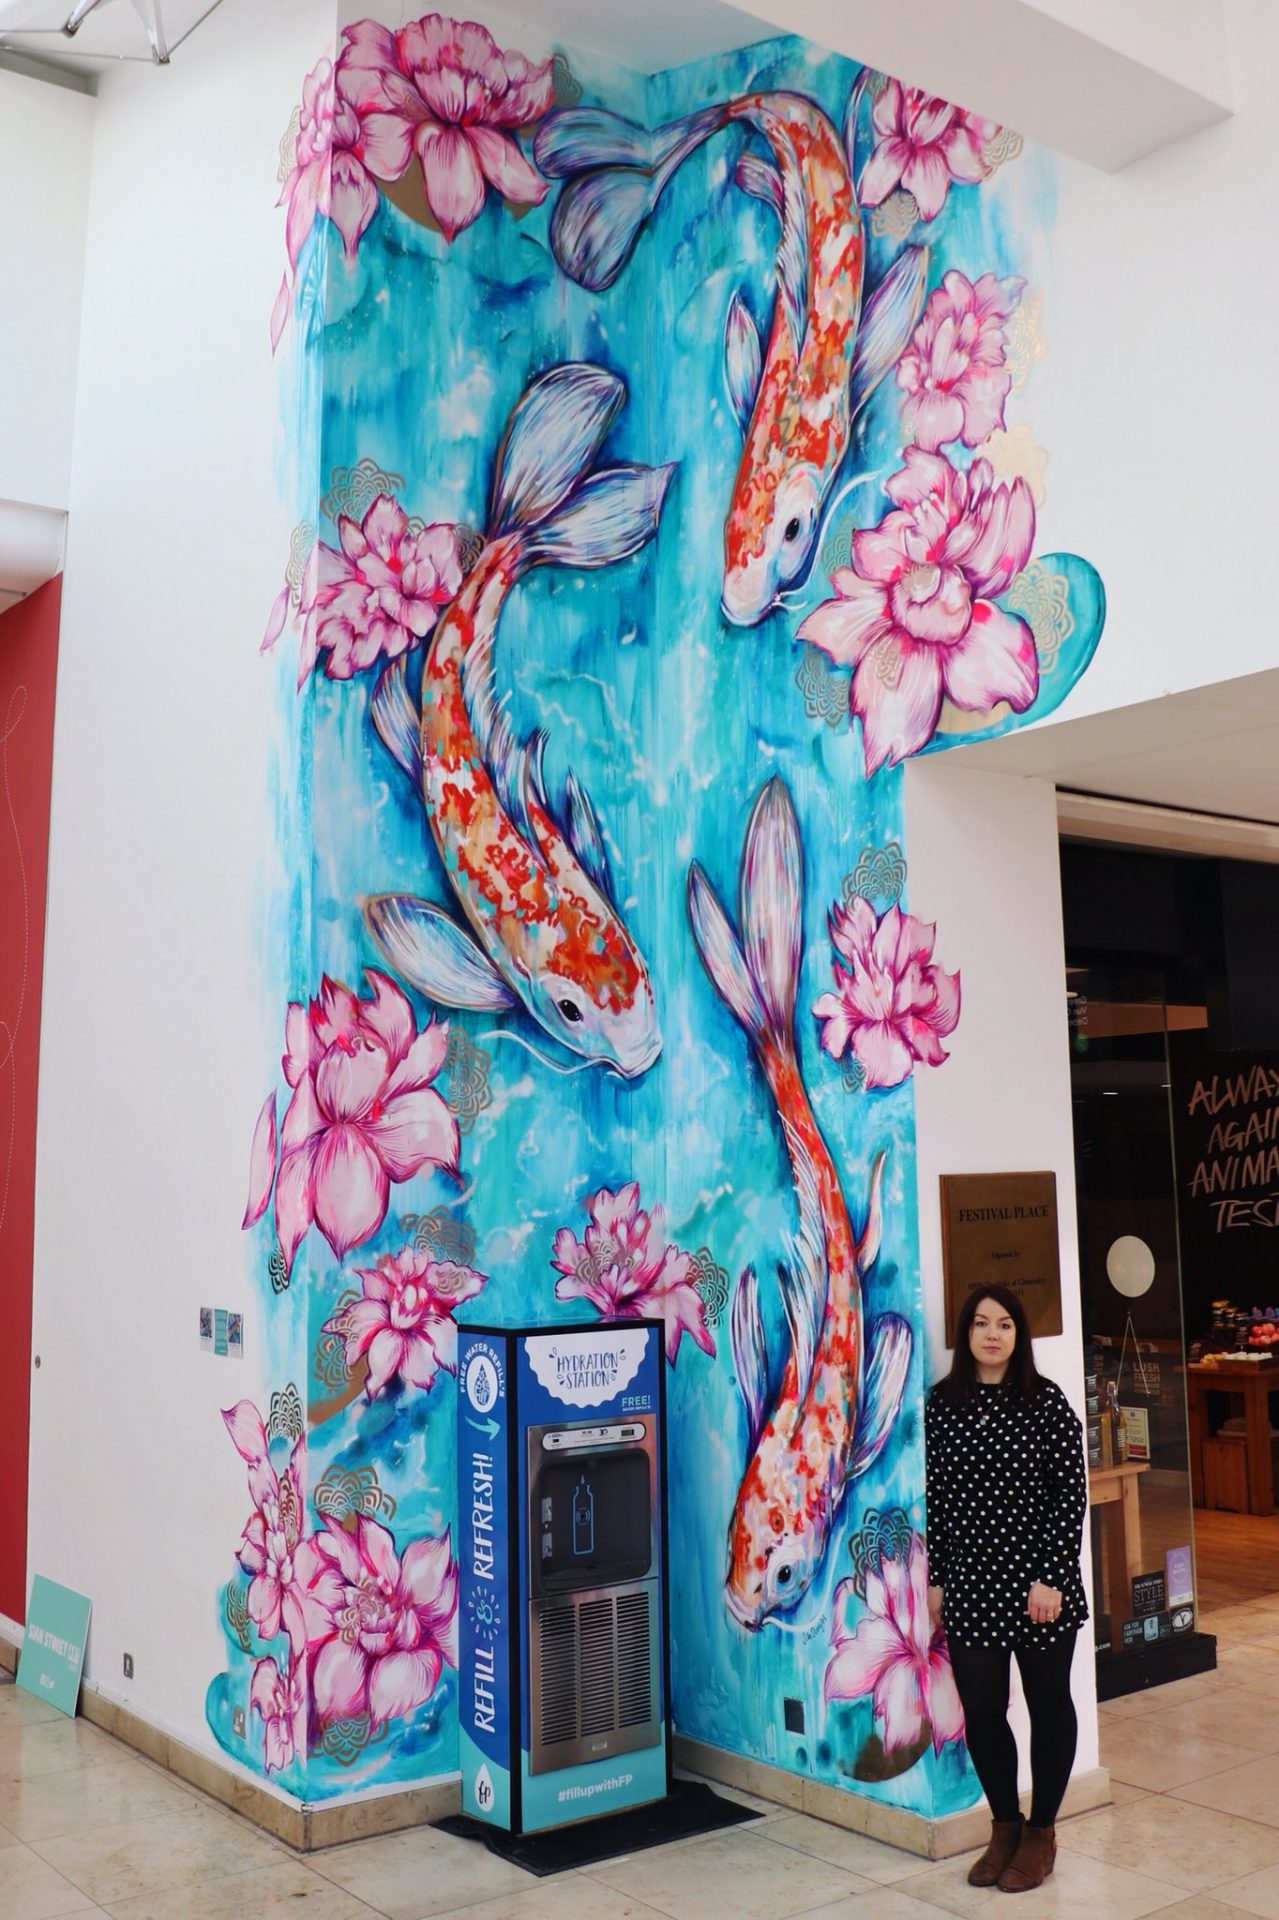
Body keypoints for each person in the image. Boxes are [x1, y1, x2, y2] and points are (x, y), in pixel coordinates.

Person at [925, 1285, 1088, 1894]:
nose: (992, 1334)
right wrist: (938, 1581)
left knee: (1048, 1708)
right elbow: (936, 1502)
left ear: (1019, 1337)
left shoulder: (1046, 1404)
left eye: (1005, 1325)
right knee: (985, 1711)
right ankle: (1005, 1827)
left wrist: (1051, 1576)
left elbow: (1067, 1497)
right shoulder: (941, 1406)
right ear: (966, 1334)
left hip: (1039, 1586)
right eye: (980, 1324)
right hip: (971, 1586)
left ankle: (1041, 1832)